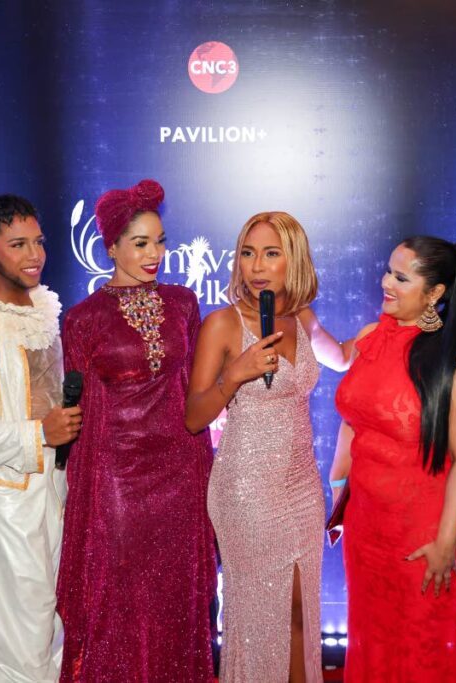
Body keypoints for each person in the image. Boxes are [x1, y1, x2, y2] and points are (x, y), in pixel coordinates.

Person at [57, 179, 216, 682]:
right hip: (118, 480)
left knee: (176, 594)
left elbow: (195, 386)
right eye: (141, 243)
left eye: (161, 241)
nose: (155, 254)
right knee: (120, 596)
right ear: (111, 248)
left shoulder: (185, 303)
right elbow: (80, 410)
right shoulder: (82, 319)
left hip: (179, 467)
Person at [185, 211, 352, 683]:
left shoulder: (303, 319)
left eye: (271, 253)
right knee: (260, 623)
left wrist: (404, 326)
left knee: (301, 615)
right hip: (247, 491)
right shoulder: (222, 323)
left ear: (293, 260)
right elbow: (194, 417)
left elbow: (342, 356)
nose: (256, 264)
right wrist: (234, 374)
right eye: (248, 252)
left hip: (300, 487)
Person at [330, 235, 456, 682]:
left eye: (401, 277)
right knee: (371, 641)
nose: (386, 283)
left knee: (419, 650)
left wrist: (444, 543)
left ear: (436, 293)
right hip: (366, 528)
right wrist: (339, 490)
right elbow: (354, 422)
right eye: (387, 271)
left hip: (421, 535)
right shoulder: (369, 337)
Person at [0, 195, 82, 682]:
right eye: (18, 244)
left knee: (53, 633)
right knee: (18, 641)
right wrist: (36, 433)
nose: (35, 255)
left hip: (58, 491)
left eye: (39, 242)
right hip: (2, 500)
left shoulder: (46, 309)